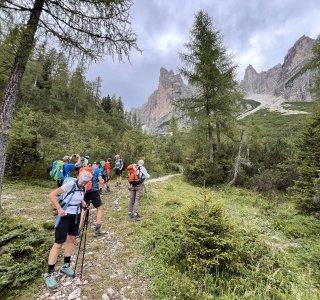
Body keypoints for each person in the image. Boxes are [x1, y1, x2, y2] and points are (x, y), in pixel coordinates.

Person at [45, 170, 93, 290]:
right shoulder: (70, 184)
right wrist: (59, 209)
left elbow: (79, 197)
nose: (84, 183)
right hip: (64, 216)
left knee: (71, 239)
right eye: (83, 181)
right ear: (78, 177)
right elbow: (51, 195)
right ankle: (49, 273)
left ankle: (65, 265)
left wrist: (84, 204)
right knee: (58, 244)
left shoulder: (84, 186)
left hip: (75, 216)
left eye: (86, 182)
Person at [83, 160, 105, 235]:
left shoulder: (86, 168)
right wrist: (102, 181)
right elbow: (101, 181)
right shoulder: (97, 170)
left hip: (85, 191)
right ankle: (97, 230)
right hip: (94, 191)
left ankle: (78, 230)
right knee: (100, 208)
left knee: (84, 209)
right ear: (98, 165)